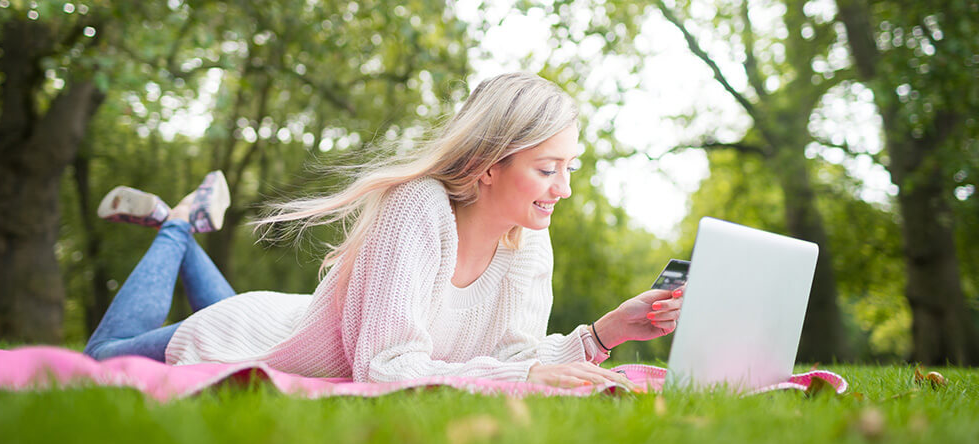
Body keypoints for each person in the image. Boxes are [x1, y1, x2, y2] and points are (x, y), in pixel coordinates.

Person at [84, 72, 684, 389]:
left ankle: (181, 225)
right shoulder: (416, 208)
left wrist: (603, 335)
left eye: (569, 168)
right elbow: (388, 366)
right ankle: (177, 226)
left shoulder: (529, 238)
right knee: (96, 359)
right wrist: (525, 372)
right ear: (488, 166)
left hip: (296, 324)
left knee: (243, 311)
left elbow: (513, 360)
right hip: (244, 336)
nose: (565, 188)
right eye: (548, 169)